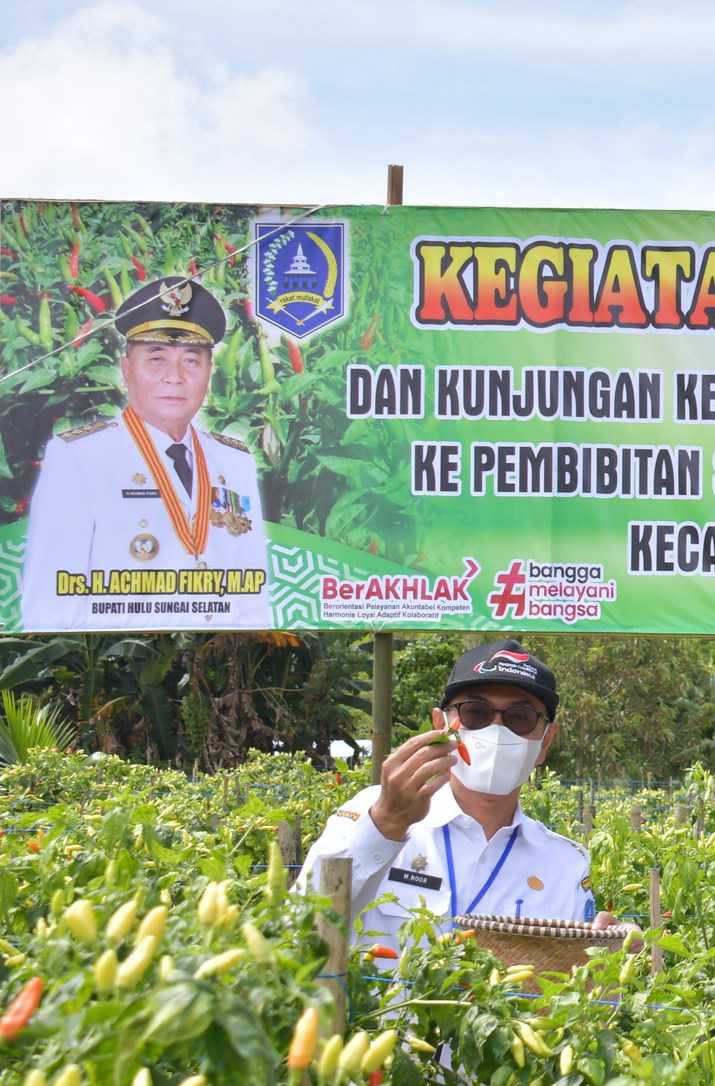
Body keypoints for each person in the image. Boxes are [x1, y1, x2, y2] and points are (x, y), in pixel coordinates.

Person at [301, 639, 595, 950]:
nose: (497, 730)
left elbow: (579, 970)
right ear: (441, 725)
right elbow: (299, 929)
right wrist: (386, 823)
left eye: (520, 717)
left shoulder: (566, 864)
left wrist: (612, 946)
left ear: (545, 741)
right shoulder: (369, 812)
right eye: (476, 712)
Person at [20, 277, 272, 631]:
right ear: (126, 368)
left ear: (209, 373)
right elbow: (50, 604)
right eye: (156, 359)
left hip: (222, 656)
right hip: (126, 659)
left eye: (191, 360)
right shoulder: (79, 457)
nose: (175, 377)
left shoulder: (235, 461)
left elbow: (253, 591)